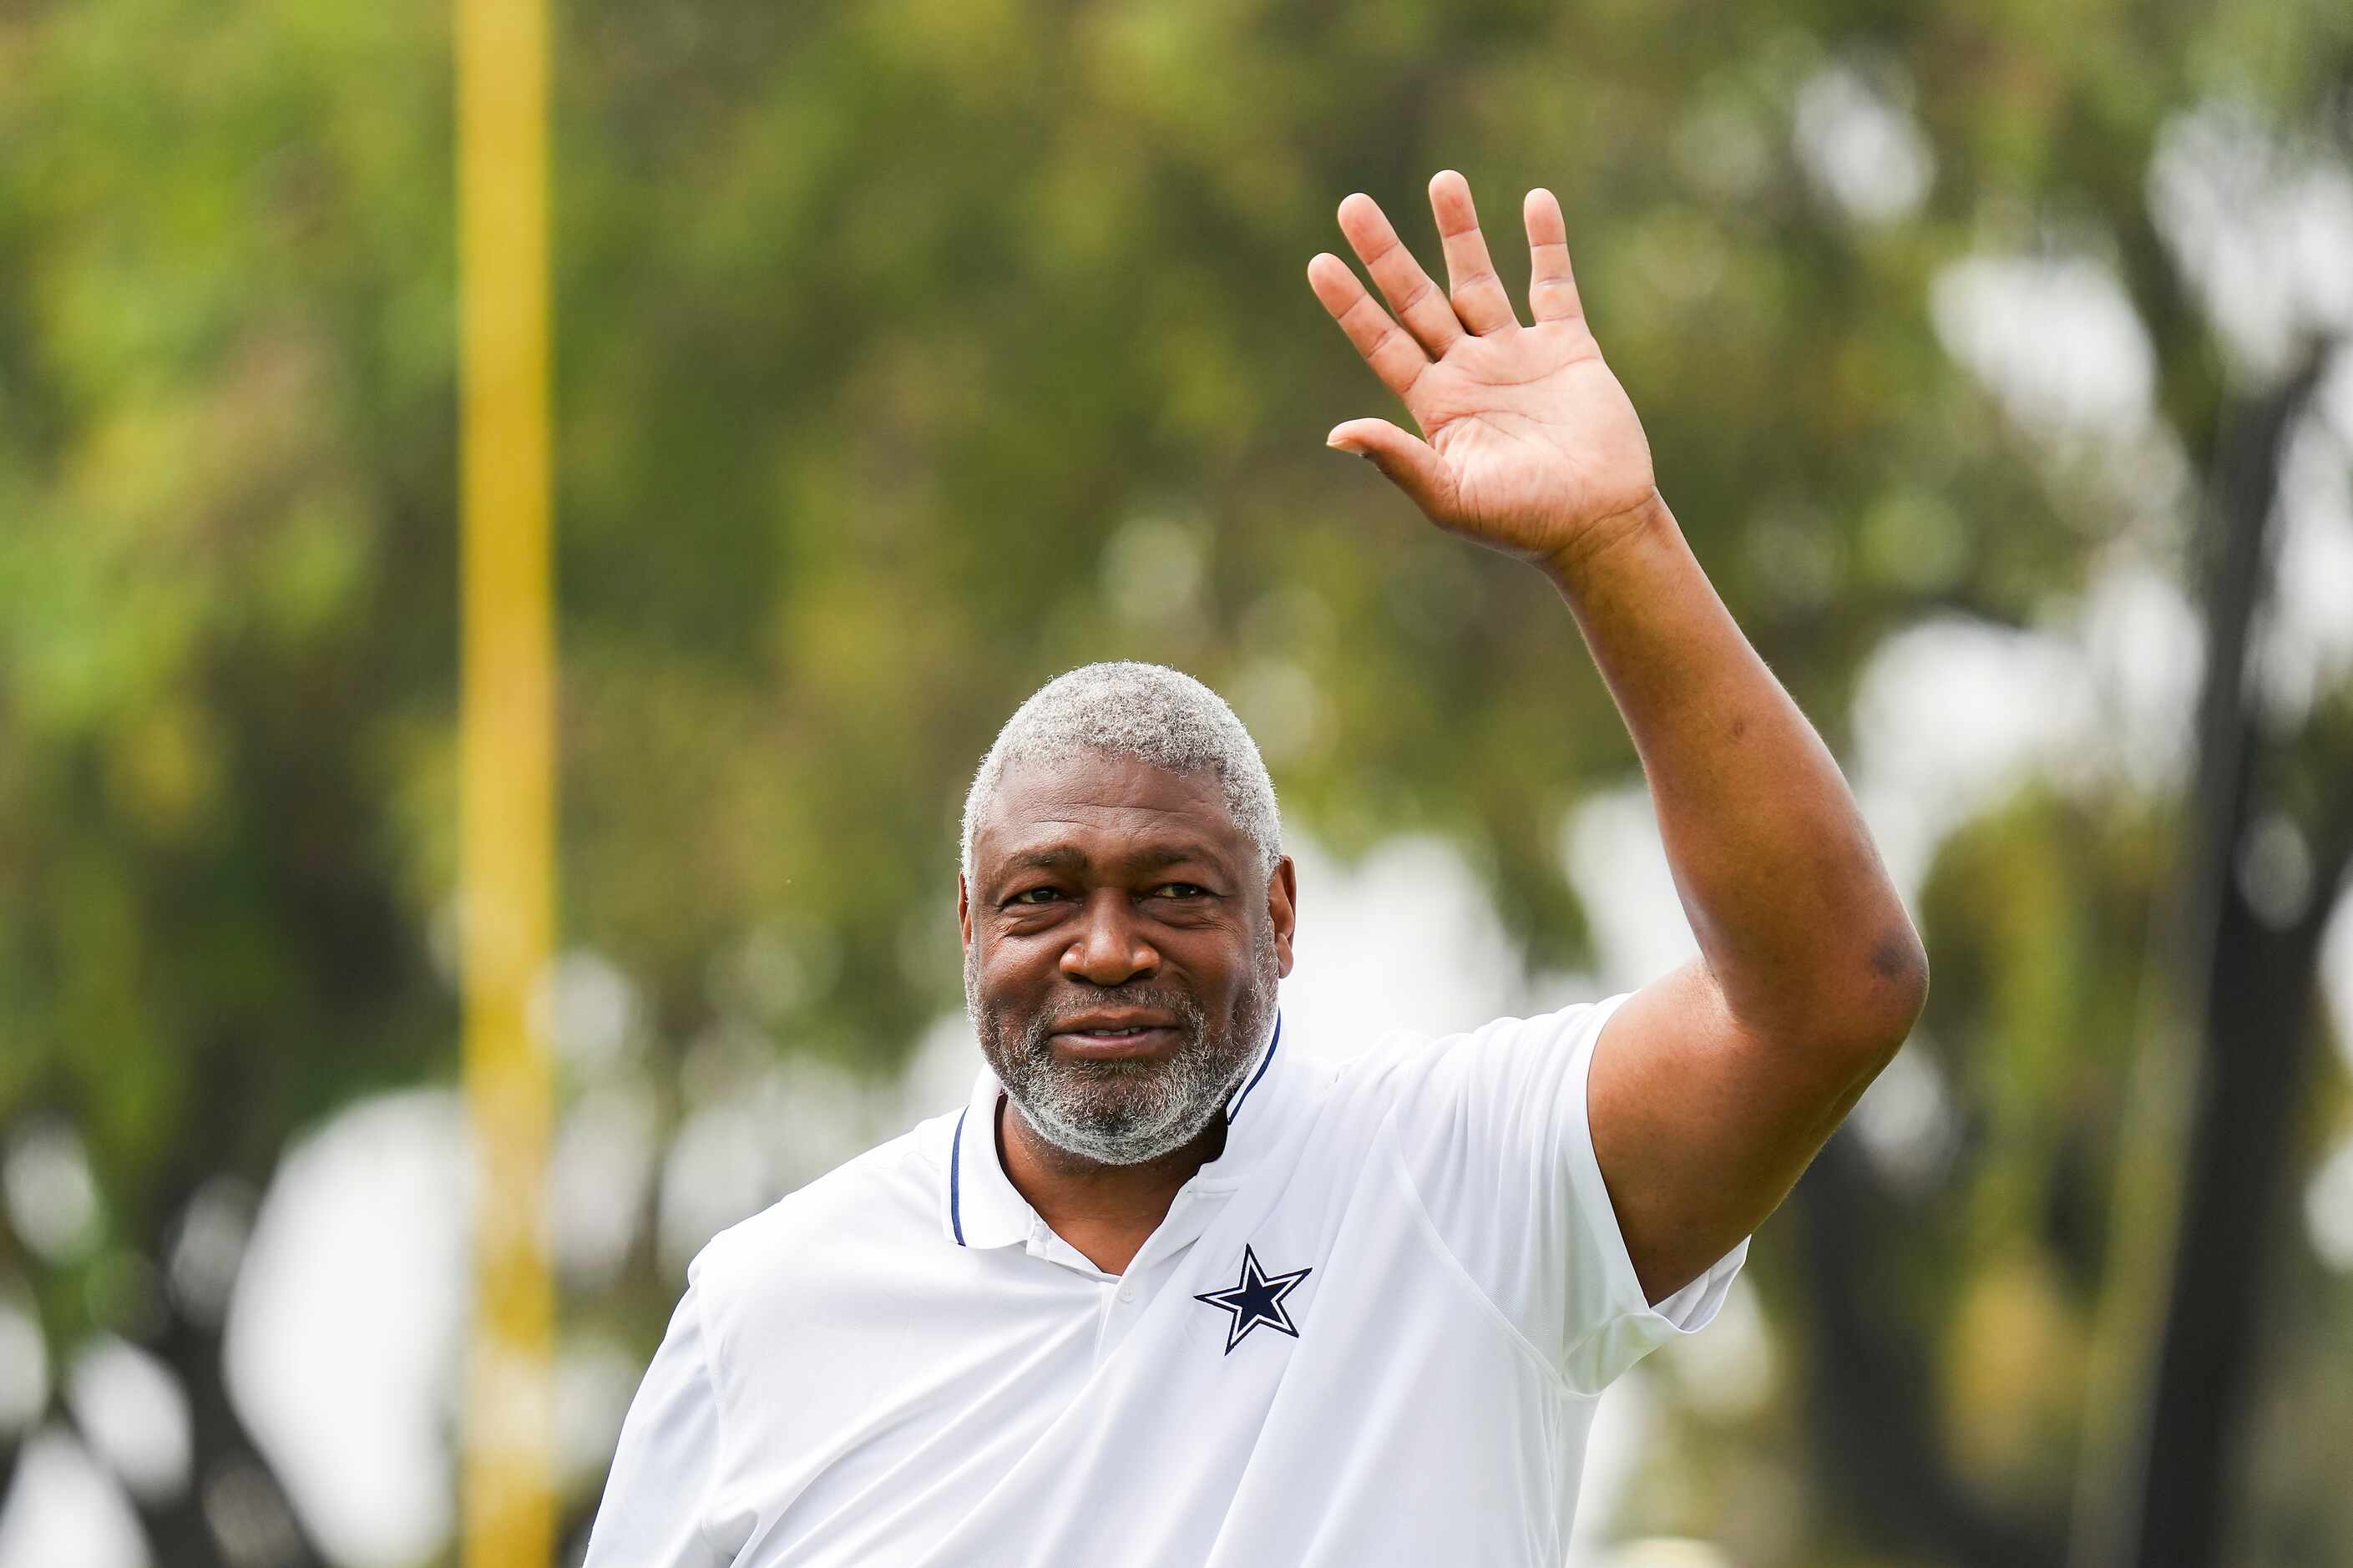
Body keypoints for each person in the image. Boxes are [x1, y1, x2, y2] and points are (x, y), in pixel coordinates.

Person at [581, 170, 1928, 1567]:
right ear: (966, 925)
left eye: (1173, 891)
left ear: (1279, 916)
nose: (1106, 948)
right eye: (1045, 895)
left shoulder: (1469, 1182)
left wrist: (1612, 543)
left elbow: (1832, 993)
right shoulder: (767, 1311)